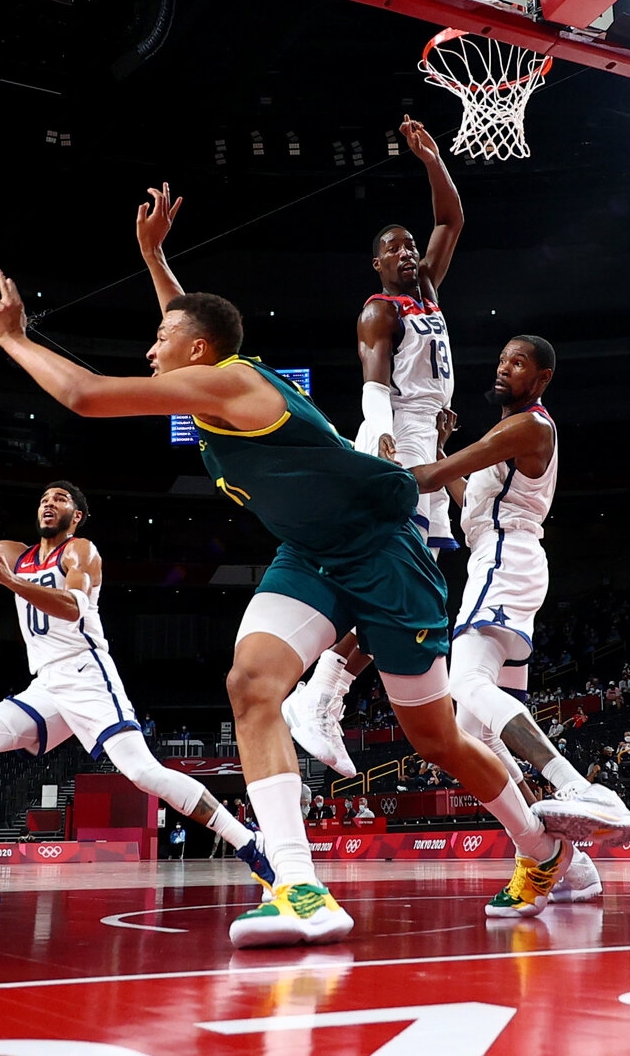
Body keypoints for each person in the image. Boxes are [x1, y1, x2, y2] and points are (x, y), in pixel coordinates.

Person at [0, 198, 567, 949]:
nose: (151, 348)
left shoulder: (232, 383)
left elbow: (85, 394)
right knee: (251, 684)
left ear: (197, 349)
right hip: (310, 554)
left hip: (383, 549)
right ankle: (297, 884)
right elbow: (190, 326)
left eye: (161, 338)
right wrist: (155, 258)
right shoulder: (214, 376)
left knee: (435, 735)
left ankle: (542, 849)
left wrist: (15, 338)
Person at [0, 439, 268, 913]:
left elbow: (74, 608)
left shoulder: (82, 552)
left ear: (76, 515)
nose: (48, 503)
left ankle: (248, 843)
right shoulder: (16, 552)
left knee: (142, 772)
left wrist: (13, 583)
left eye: (59, 498)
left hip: (87, 674)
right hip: (47, 684)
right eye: (43, 498)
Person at [409, 339, 630, 904]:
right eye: (502, 359)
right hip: (503, 561)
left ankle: (579, 787)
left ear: (542, 379)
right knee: (475, 732)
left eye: (519, 363)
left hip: (505, 562)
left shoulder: (529, 427)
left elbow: (433, 477)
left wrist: (390, 453)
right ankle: (569, 868)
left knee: (464, 687)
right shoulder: (502, 442)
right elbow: (464, 496)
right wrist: (436, 443)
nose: (505, 368)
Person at [281, 119, 465, 776]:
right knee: (401, 574)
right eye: (393, 248)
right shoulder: (378, 309)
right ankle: (321, 690)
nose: (408, 251)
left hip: (430, 438)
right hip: (397, 436)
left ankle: (323, 690)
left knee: (429, 576)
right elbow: (374, 380)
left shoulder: (430, 294)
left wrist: (433, 157)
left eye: (411, 244)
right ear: (378, 264)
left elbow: (451, 217)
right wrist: (383, 438)